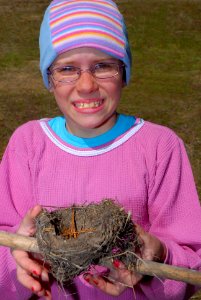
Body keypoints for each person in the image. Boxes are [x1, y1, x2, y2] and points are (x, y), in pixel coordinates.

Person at [0, 0, 201, 299]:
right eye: (67, 68)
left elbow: (191, 267)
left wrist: (159, 255)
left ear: (124, 72)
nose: (86, 85)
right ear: (49, 78)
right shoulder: (27, 144)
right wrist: (17, 259)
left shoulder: (159, 147)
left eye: (103, 66)